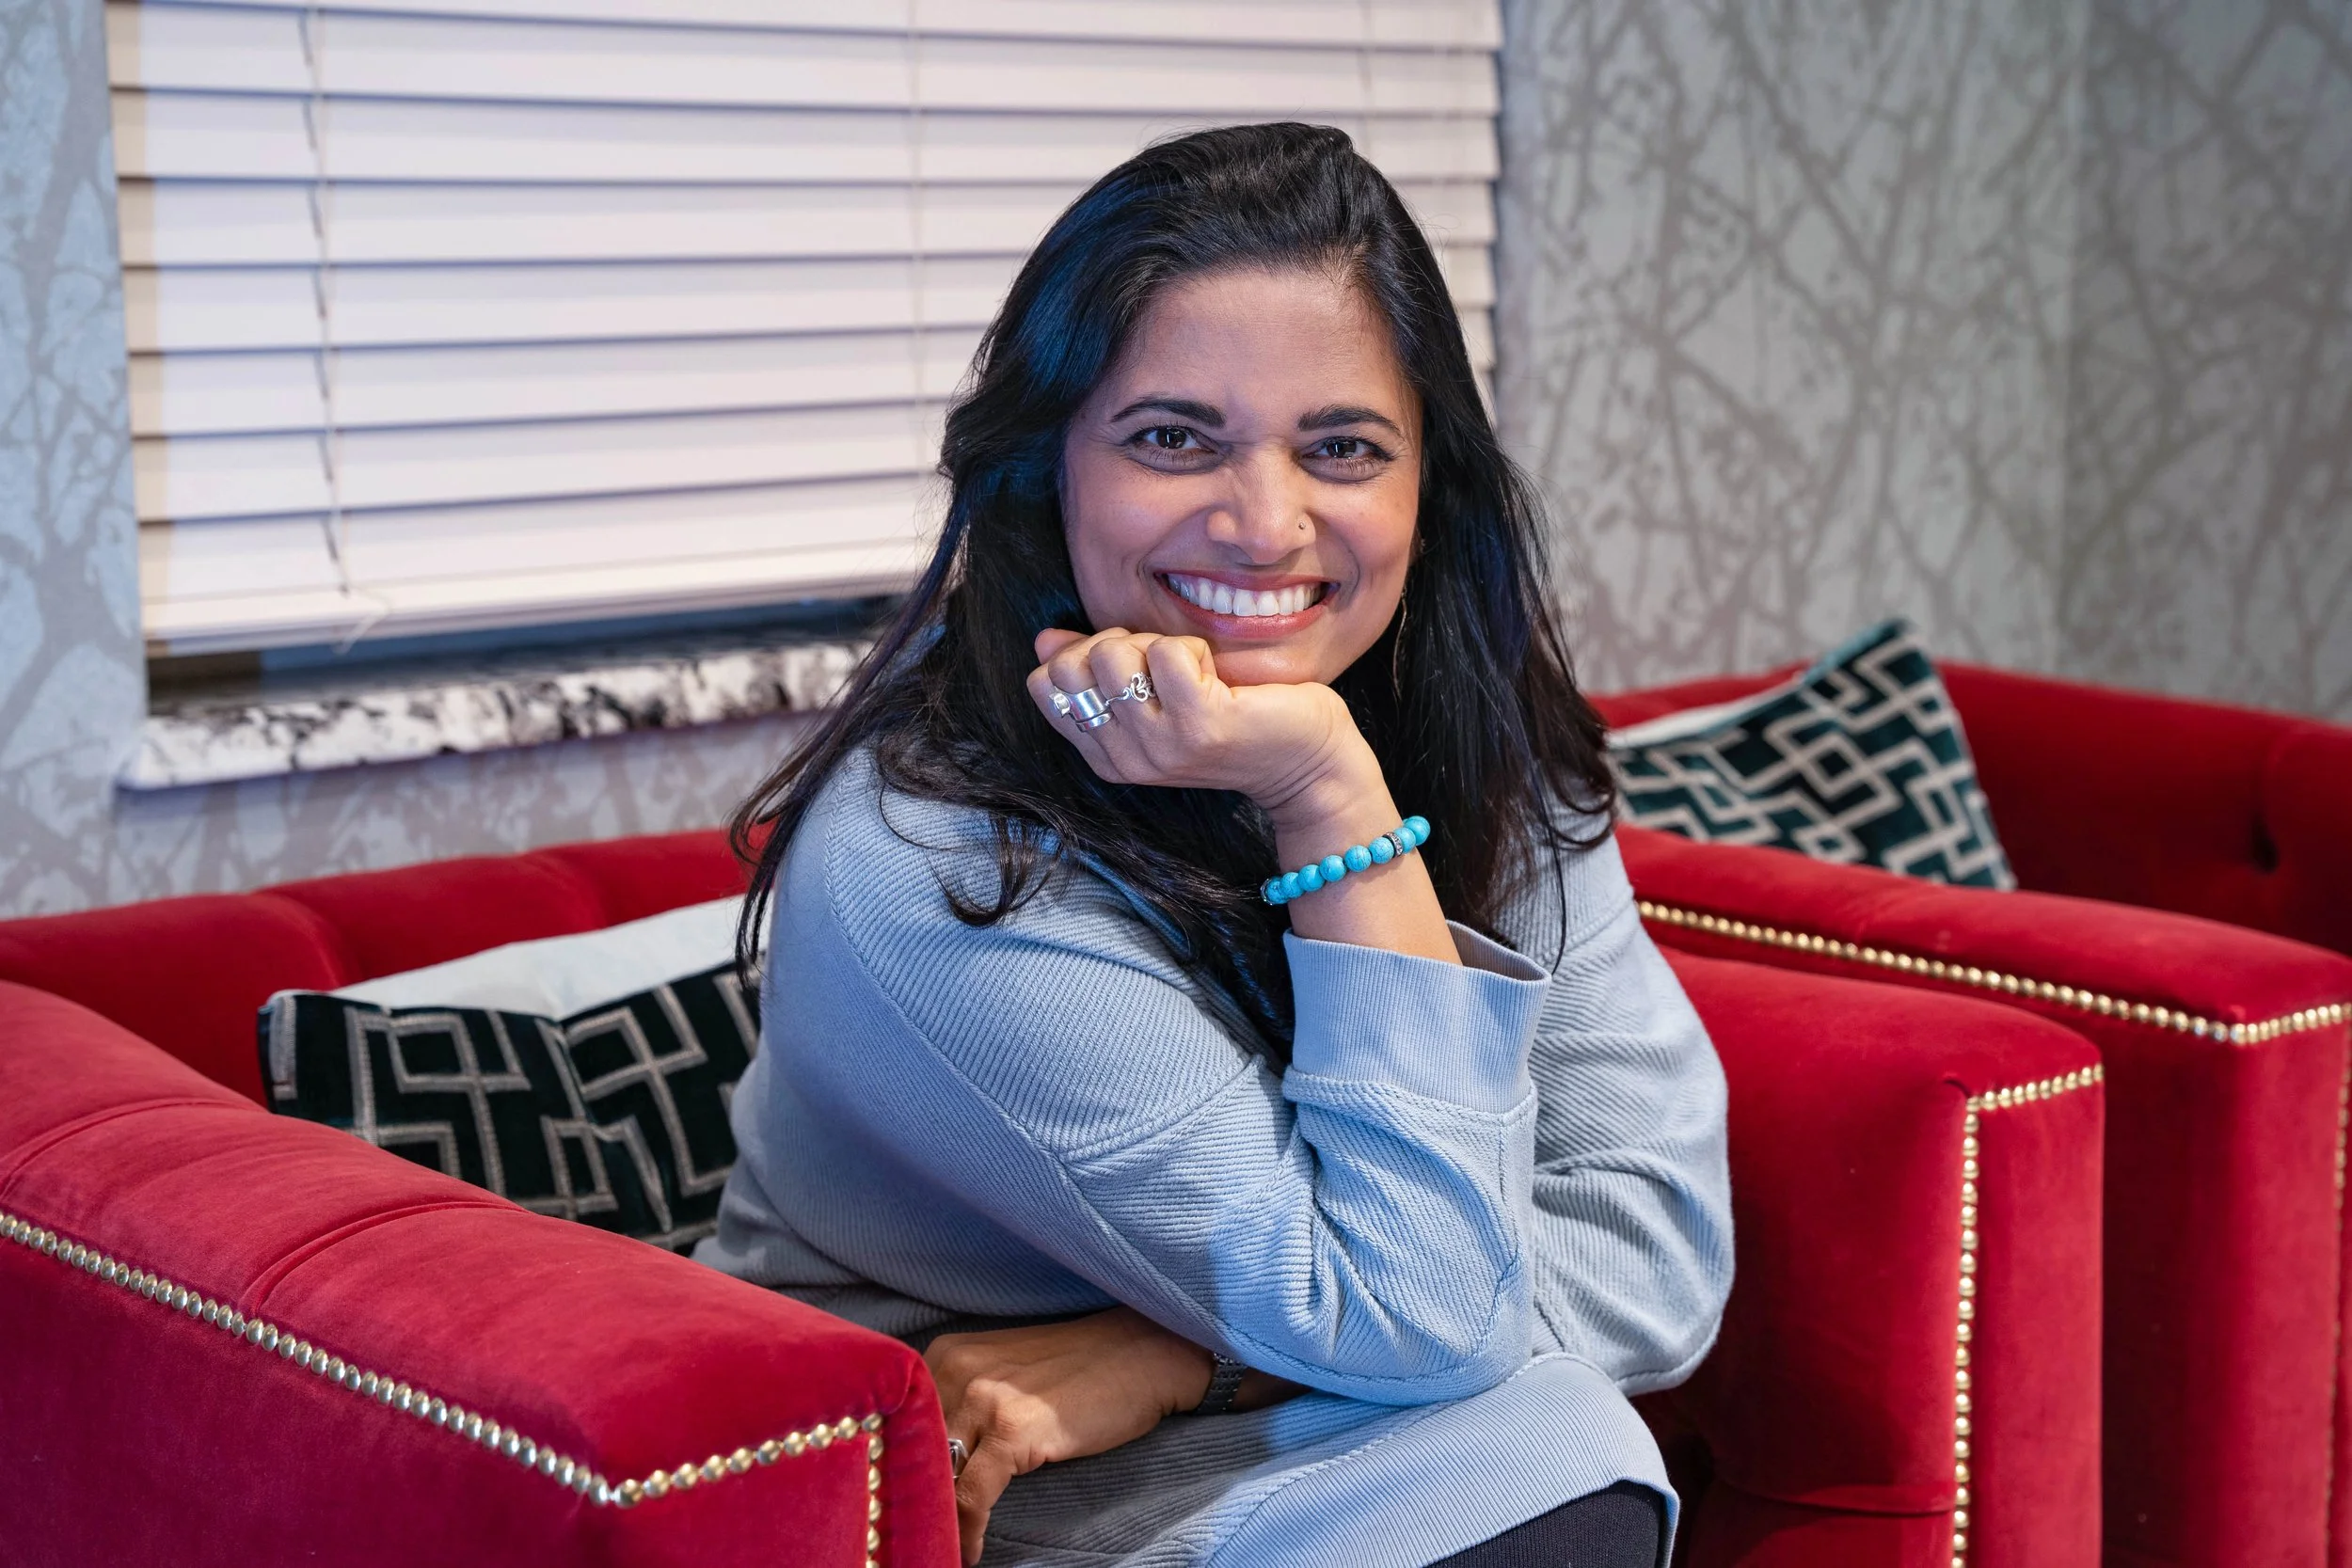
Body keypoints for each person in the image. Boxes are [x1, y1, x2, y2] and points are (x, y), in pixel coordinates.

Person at [696, 122, 1732, 1568]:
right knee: (1553, 1445)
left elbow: (1655, 1250)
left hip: (1288, 1412)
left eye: (1343, 447)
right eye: (1172, 436)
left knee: (1556, 1437)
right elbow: (1424, 1309)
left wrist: (1173, 1353)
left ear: (1429, 487)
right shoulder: (929, 864)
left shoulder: (1478, 738)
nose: (1265, 524)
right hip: (976, 1487)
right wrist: (1332, 801)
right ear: (1043, 469)